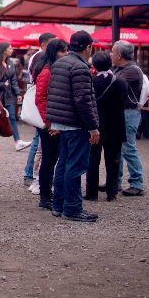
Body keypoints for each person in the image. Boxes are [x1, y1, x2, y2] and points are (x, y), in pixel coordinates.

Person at [44, 31, 100, 222]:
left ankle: (59, 204)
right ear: (88, 47)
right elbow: (83, 100)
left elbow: (54, 93)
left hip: (62, 120)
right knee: (75, 166)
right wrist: (93, 126)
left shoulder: (60, 63)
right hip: (76, 122)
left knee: (63, 164)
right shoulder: (80, 67)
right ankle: (72, 207)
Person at [33, 38, 69, 210]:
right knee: (49, 159)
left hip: (53, 121)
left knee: (52, 158)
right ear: (54, 52)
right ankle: (45, 195)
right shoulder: (47, 71)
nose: (66, 54)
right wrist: (49, 123)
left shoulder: (54, 69)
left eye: (67, 50)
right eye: (62, 51)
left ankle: (47, 193)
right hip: (48, 122)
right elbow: (40, 98)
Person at [86, 51, 128, 202]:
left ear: (94, 66)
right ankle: (112, 191)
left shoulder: (92, 82)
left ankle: (92, 192)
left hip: (97, 125)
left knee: (93, 159)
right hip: (116, 125)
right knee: (114, 160)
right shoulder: (120, 82)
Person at [111, 40, 146, 196]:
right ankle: (115, 182)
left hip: (128, 113)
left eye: (112, 52)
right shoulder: (121, 68)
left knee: (128, 148)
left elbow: (114, 85)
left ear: (119, 55)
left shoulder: (131, 70)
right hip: (122, 112)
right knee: (117, 147)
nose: (110, 54)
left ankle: (137, 182)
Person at [23, 32, 57, 188]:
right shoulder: (42, 63)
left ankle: (36, 178)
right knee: (41, 148)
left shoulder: (44, 63)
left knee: (42, 148)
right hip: (44, 117)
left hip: (44, 116)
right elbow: (41, 97)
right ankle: (35, 178)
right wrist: (47, 121)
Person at [0, 42, 30, 151]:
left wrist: (18, 93)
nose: (12, 50)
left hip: (8, 95)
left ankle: (18, 141)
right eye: (9, 48)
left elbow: (13, 80)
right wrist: (2, 85)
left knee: (12, 117)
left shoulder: (10, 63)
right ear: (4, 50)